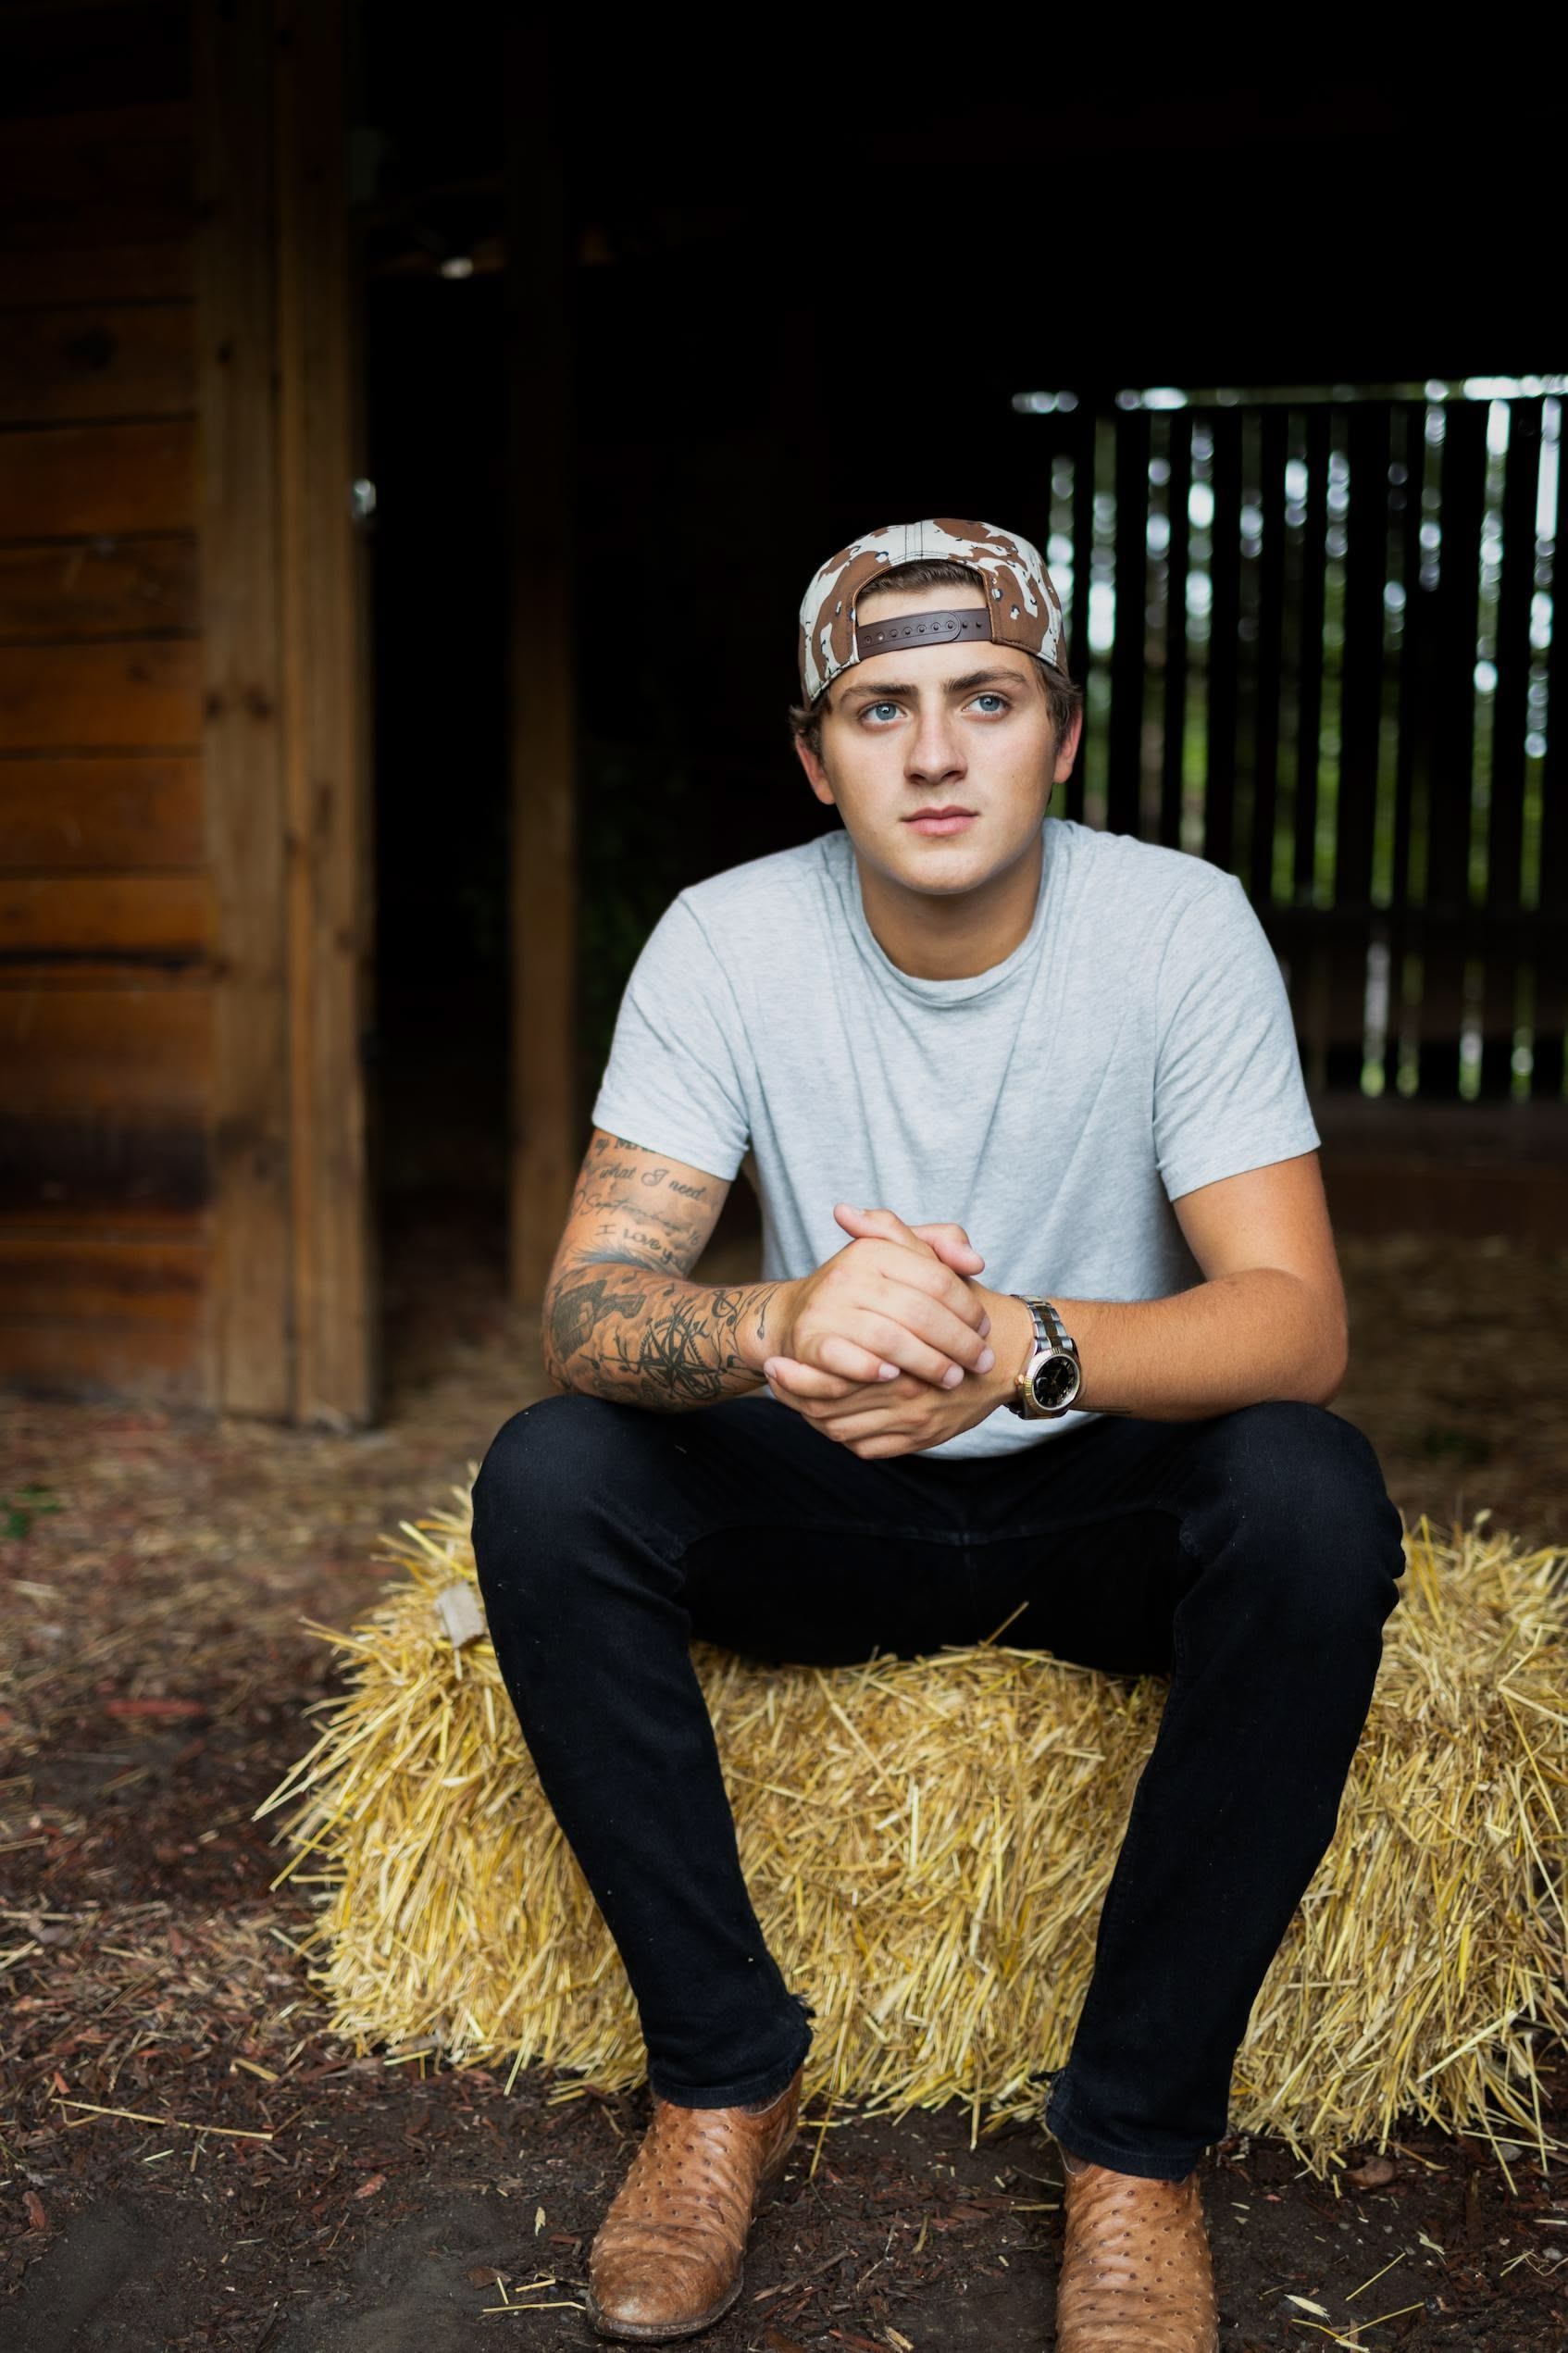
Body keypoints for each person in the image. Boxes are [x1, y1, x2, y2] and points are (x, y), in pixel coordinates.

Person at [471, 517, 1407, 2350]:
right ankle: (721, 2076)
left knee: (1312, 1491)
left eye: (982, 698)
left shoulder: (1177, 924)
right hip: (826, 1486)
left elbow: (1295, 1321)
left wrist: (1029, 1345)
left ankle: (1135, 2150)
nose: (930, 749)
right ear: (817, 759)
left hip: (1090, 1489)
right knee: (548, 1472)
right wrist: (778, 1320)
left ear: (1057, 732)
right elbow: (585, 1307)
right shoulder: (724, 937)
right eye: (877, 706)